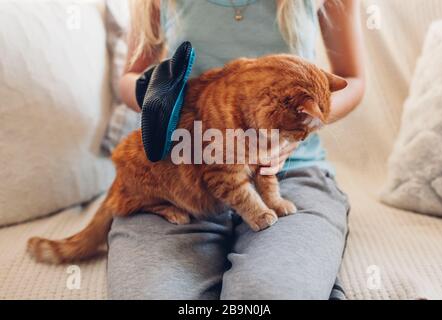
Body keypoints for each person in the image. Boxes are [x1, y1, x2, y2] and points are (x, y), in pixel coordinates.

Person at [108, 0, 365, 299]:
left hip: (292, 173)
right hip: (183, 170)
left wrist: (294, 129)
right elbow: (130, 77)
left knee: (269, 295)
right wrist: (163, 101)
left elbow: (352, 78)